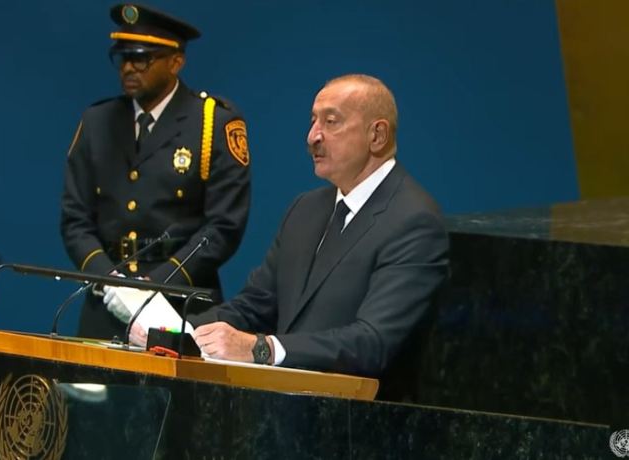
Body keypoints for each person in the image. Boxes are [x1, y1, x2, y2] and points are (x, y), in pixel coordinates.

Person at [133, 74, 448, 377]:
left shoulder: (413, 221)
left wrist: (263, 349)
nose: (312, 137)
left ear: (377, 135)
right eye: (313, 121)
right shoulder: (306, 209)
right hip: (282, 404)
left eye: (331, 122)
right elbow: (254, 306)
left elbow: (372, 342)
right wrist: (175, 334)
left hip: (357, 409)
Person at [61, 4, 251, 340]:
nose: (128, 68)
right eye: (122, 58)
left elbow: (224, 226)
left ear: (176, 62)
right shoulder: (98, 122)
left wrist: (158, 283)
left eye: (142, 58)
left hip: (180, 299)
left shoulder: (211, 122)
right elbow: (75, 218)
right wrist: (108, 279)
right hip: (107, 300)